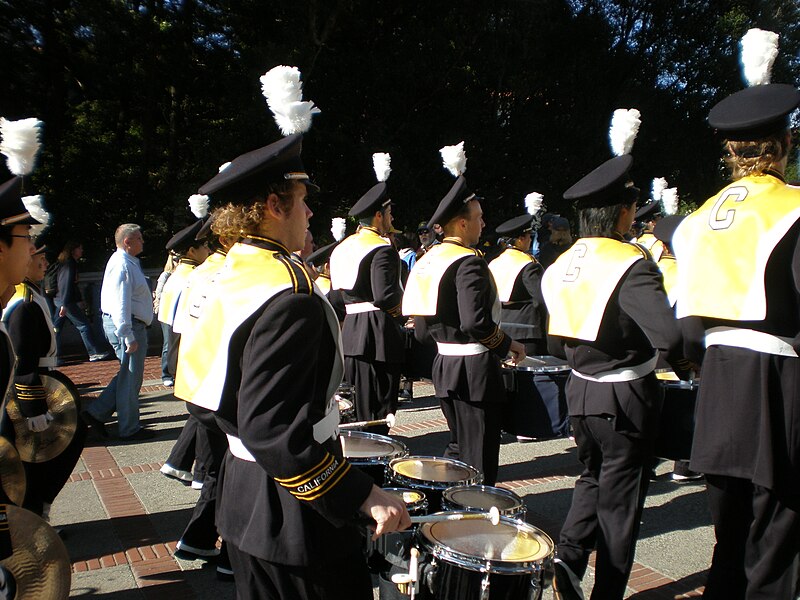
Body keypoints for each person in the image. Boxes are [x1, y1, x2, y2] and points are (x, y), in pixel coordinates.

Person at [174, 132, 409, 599]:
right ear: (273, 206)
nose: (310, 212)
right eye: (301, 200)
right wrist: (362, 495)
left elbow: (202, 401)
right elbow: (273, 432)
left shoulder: (225, 274)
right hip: (294, 513)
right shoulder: (288, 296)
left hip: (242, 496)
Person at [541, 155, 693, 600]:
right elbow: (668, 336)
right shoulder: (632, 262)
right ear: (623, 213)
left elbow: (554, 342)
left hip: (580, 391)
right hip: (626, 397)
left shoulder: (560, 263)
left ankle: (568, 560)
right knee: (621, 501)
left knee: (591, 478)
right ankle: (607, 593)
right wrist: (684, 363)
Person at [672, 81, 800, 599]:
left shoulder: (697, 219)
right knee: (776, 545)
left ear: (731, 152)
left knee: (728, 542)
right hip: (780, 384)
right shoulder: (794, 207)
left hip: (720, 385)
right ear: (786, 144)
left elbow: (685, 327)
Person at [403, 162, 525, 486]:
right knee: (480, 459)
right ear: (461, 223)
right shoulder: (468, 261)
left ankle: (456, 514)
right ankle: (477, 523)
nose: (484, 224)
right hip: (475, 370)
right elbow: (476, 322)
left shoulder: (428, 259)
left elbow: (420, 329)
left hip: (444, 365)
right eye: (479, 217)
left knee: (459, 451)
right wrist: (507, 344)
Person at [2, 245, 87, 518]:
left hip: (43, 380)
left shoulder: (31, 295)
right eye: (38, 257)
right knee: (36, 461)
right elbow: (23, 358)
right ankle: (34, 514)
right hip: (33, 387)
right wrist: (32, 407)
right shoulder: (24, 303)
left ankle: (37, 510)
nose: (43, 262)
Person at [329, 155, 405, 435]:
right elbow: (386, 297)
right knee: (381, 405)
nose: (392, 219)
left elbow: (336, 297)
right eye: (389, 213)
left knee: (356, 404)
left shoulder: (343, 247)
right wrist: (403, 315)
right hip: (379, 335)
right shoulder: (382, 248)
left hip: (351, 334)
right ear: (378, 215)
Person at [80, 224, 154, 441]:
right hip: (128, 325)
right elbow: (120, 302)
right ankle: (129, 428)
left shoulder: (127, 262)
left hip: (128, 324)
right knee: (131, 379)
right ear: (127, 242)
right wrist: (128, 334)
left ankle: (96, 414)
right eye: (139, 238)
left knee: (126, 376)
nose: (143, 241)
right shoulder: (123, 265)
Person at [156, 220, 210, 387]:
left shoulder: (177, 275)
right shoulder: (196, 276)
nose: (208, 250)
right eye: (205, 246)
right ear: (192, 251)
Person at [489, 213, 548, 356]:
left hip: (501, 330)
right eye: (529, 237)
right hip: (528, 332)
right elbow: (541, 299)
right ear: (521, 239)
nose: (530, 240)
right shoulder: (528, 265)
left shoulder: (494, 262)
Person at [52, 241, 110, 363]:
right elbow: (66, 284)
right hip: (66, 302)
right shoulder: (70, 264)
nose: (82, 251)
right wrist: (65, 303)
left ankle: (53, 356)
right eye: (80, 248)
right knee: (83, 325)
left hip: (61, 300)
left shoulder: (66, 263)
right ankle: (93, 352)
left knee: (56, 328)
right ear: (74, 250)